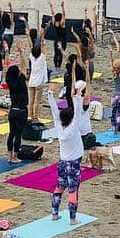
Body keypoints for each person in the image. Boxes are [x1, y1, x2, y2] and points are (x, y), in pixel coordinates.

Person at [46, 90, 84, 224]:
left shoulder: (59, 127)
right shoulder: (73, 128)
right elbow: (78, 112)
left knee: (59, 187)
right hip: (73, 164)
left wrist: (50, 95)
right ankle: (72, 218)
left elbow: (55, 113)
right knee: (73, 191)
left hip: (62, 163)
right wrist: (77, 97)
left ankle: (54, 213)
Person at [5, 47, 29, 164]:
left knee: (11, 133)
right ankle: (15, 157)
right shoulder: (21, 80)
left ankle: (10, 156)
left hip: (13, 110)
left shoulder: (10, 81)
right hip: (21, 111)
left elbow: (7, 67)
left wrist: (6, 52)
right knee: (18, 134)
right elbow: (24, 67)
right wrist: (21, 53)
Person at [27, 40, 48, 123]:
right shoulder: (42, 58)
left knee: (30, 101)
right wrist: (43, 43)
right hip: (39, 83)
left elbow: (31, 47)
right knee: (36, 101)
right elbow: (43, 49)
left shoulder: (31, 57)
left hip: (31, 81)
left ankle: (29, 116)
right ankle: (35, 116)